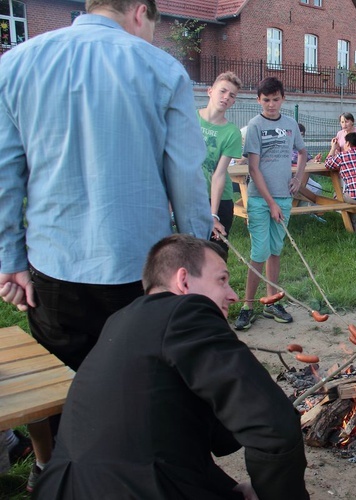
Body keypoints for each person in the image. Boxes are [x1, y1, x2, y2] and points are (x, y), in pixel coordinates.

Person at [0, 0, 211, 491]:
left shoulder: (15, 63)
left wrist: (9, 258)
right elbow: (184, 175)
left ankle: (54, 476)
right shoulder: (161, 69)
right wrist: (198, 258)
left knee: (65, 386)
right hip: (140, 270)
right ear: (141, 12)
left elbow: (6, 174)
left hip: (53, 267)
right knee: (143, 388)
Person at [34, 234, 309, 499]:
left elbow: (219, 435)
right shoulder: (186, 312)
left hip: (63, 486)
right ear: (184, 281)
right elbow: (274, 428)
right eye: (222, 280)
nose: (233, 295)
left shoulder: (121, 322)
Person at [234, 77, 307, 330]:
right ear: (258, 100)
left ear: (283, 99)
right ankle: (248, 305)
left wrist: (298, 178)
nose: (271, 104)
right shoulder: (255, 125)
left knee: (275, 251)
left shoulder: (290, 125)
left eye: (276, 99)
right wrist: (270, 202)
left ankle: (272, 302)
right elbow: (253, 169)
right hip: (259, 199)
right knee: (259, 252)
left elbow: (303, 152)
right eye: (266, 100)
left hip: (283, 198)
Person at [198, 71, 244, 250]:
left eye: (232, 95)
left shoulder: (232, 132)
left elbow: (219, 174)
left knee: (215, 254)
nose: (226, 97)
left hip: (219, 199)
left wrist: (213, 214)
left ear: (233, 102)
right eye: (222, 91)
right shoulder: (190, 118)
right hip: (191, 197)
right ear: (210, 91)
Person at [323, 132, 356, 204]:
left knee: (337, 194)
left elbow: (328, 164)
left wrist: (333, 148)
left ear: (347, 143)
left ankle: (345, 215)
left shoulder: (342, 156)